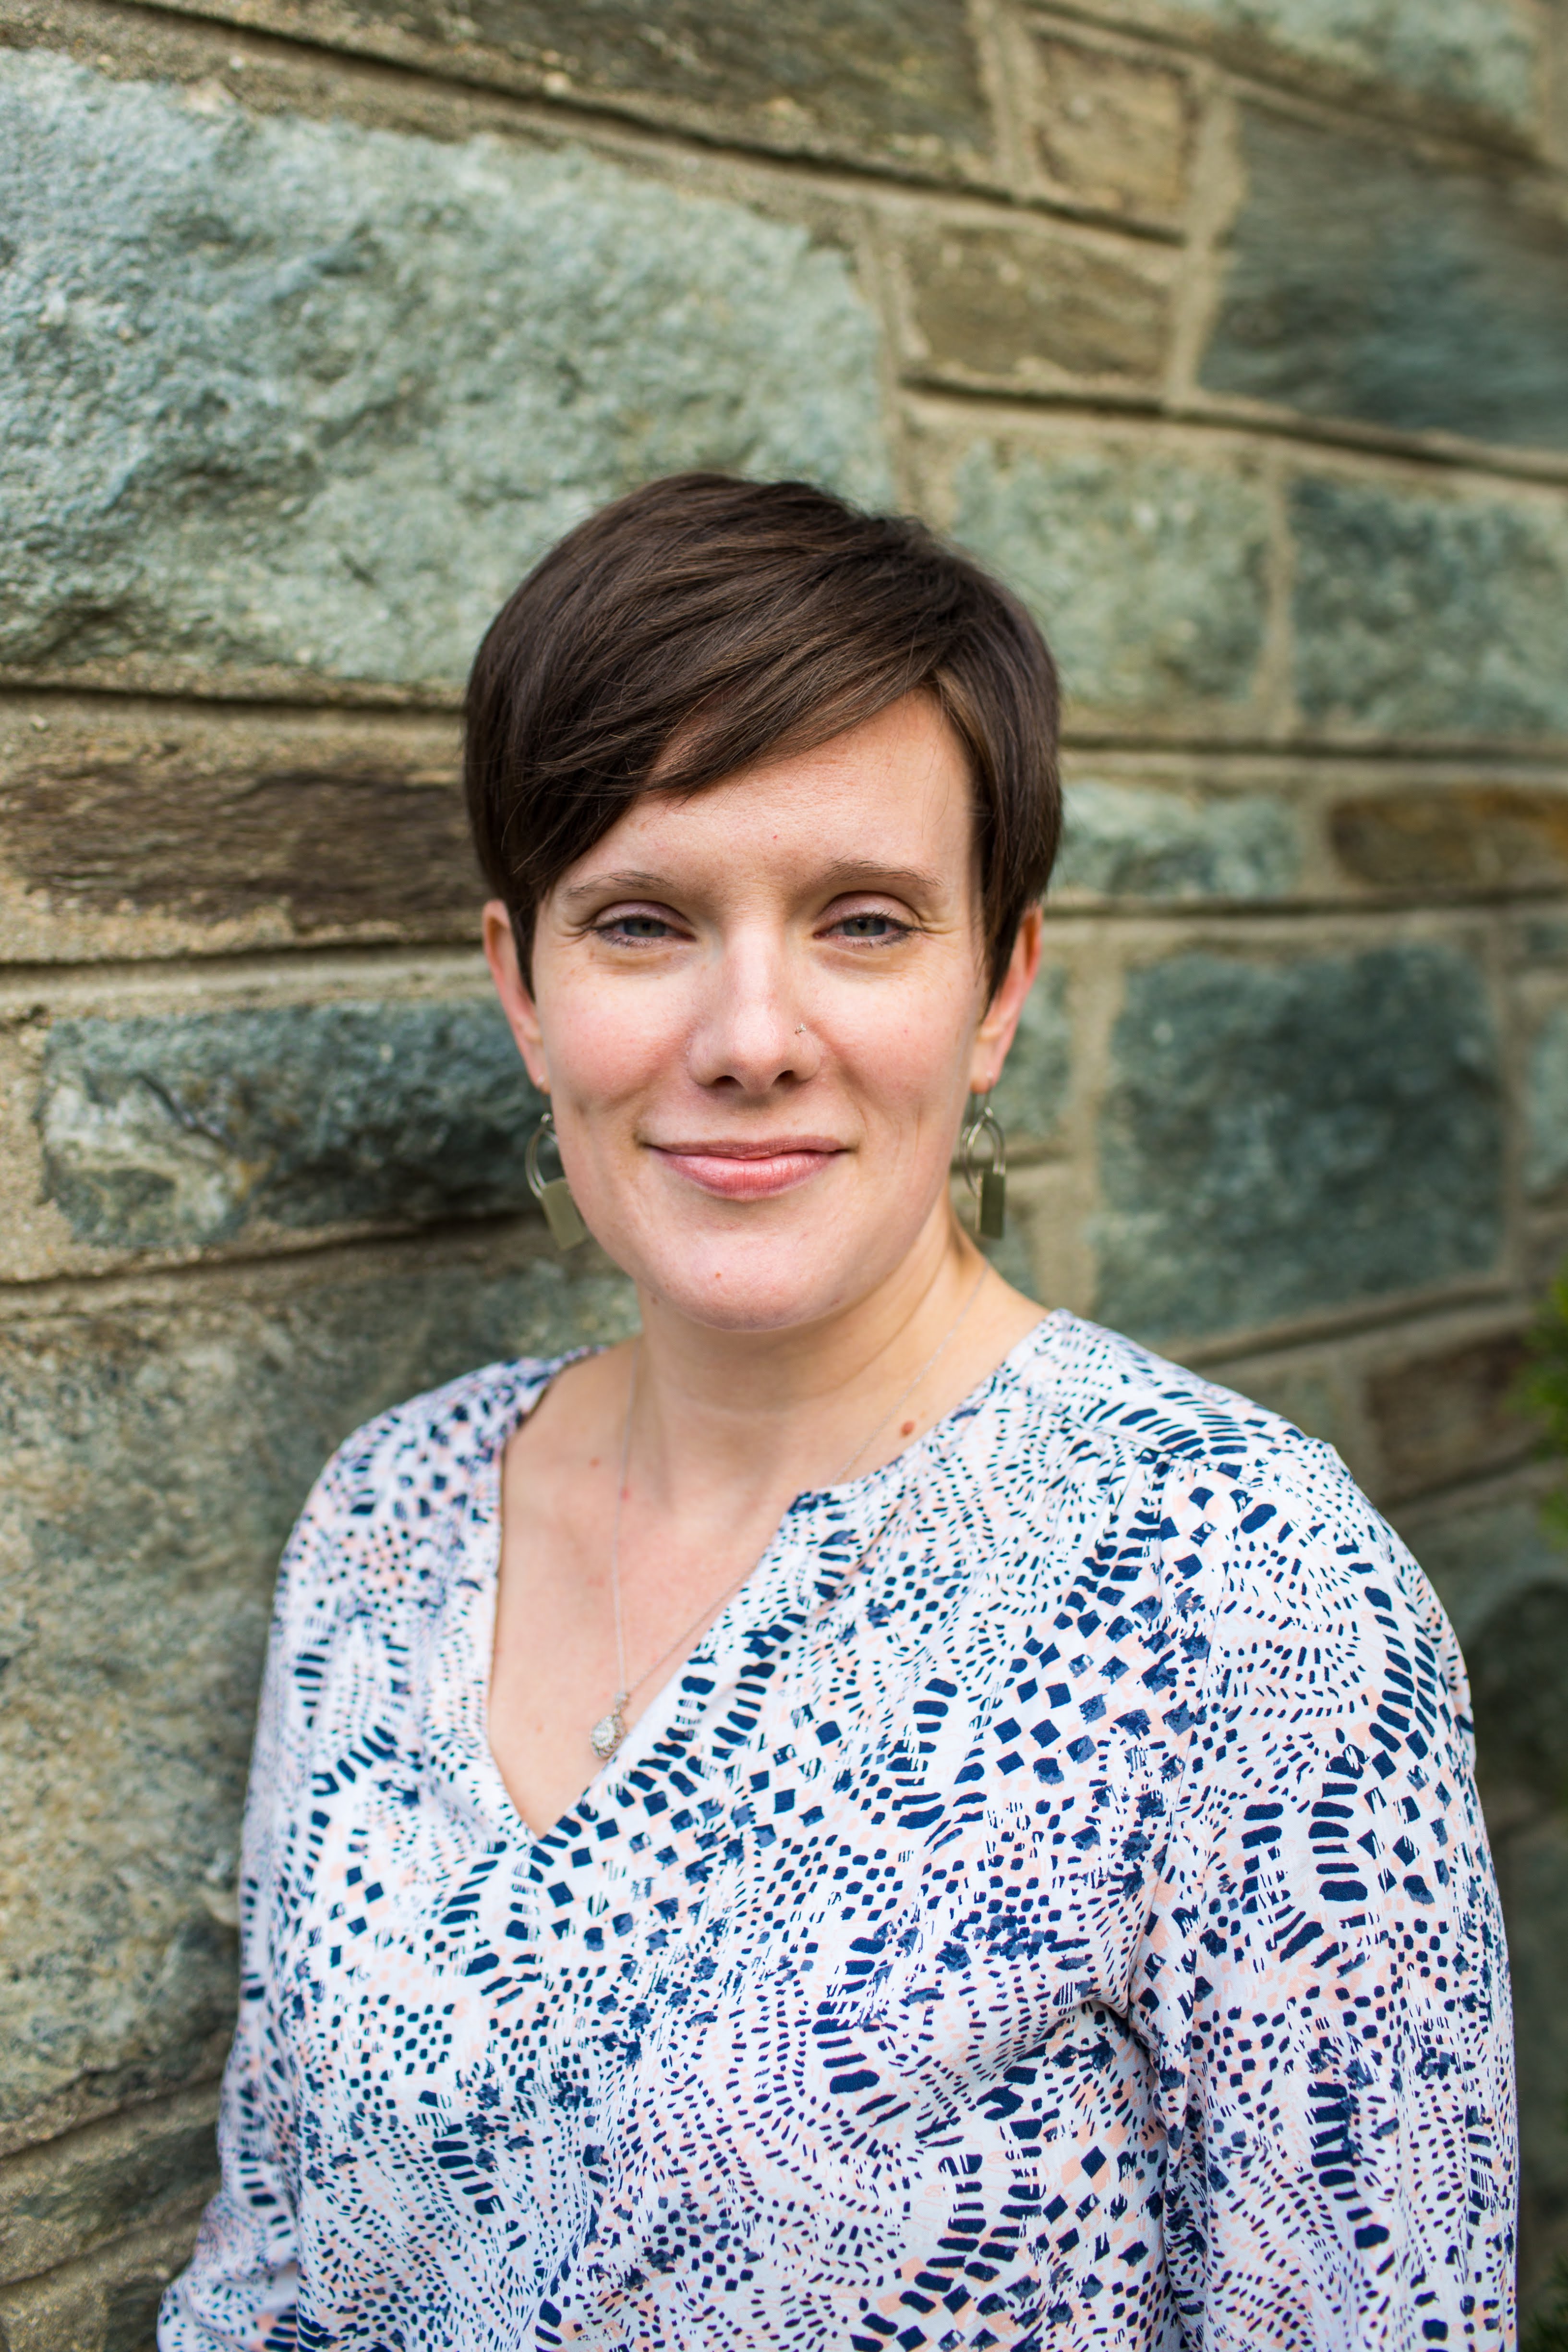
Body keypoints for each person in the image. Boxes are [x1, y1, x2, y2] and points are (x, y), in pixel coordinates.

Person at [160, 474, 1515, 2351]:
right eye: (640, 920)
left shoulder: (1233, 1588)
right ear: (522, 988)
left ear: (997, 990)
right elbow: (270, 2270)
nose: (749, 1032)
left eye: (863, 920)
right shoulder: (390, 1518)